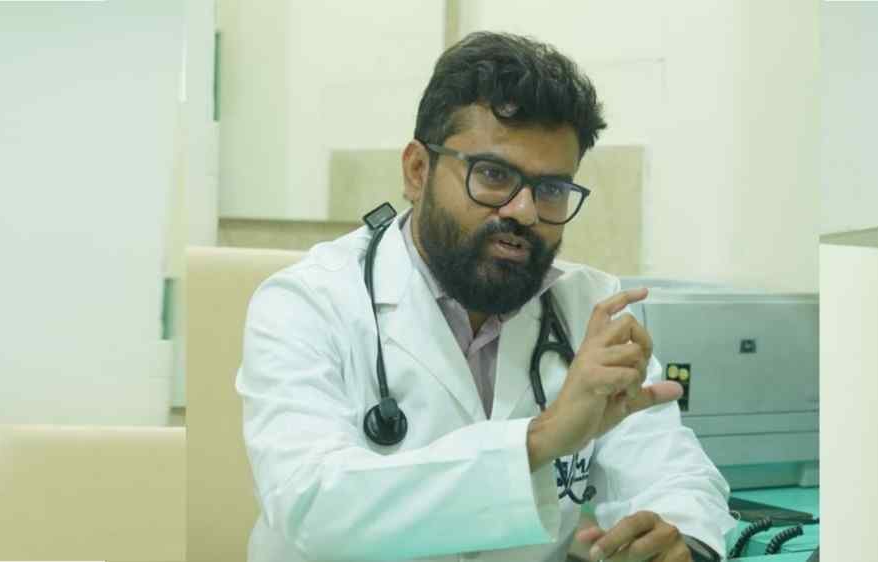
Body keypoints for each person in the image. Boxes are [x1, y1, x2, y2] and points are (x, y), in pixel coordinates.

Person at [237, 32, 735, 562]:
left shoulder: (590, 307)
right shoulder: (306, 302)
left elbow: (672, 473)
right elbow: (311, 503)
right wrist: (540, 440)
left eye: (551, 189)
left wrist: (680, 538)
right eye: (494, 175)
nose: (524, 211)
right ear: (417, 171)